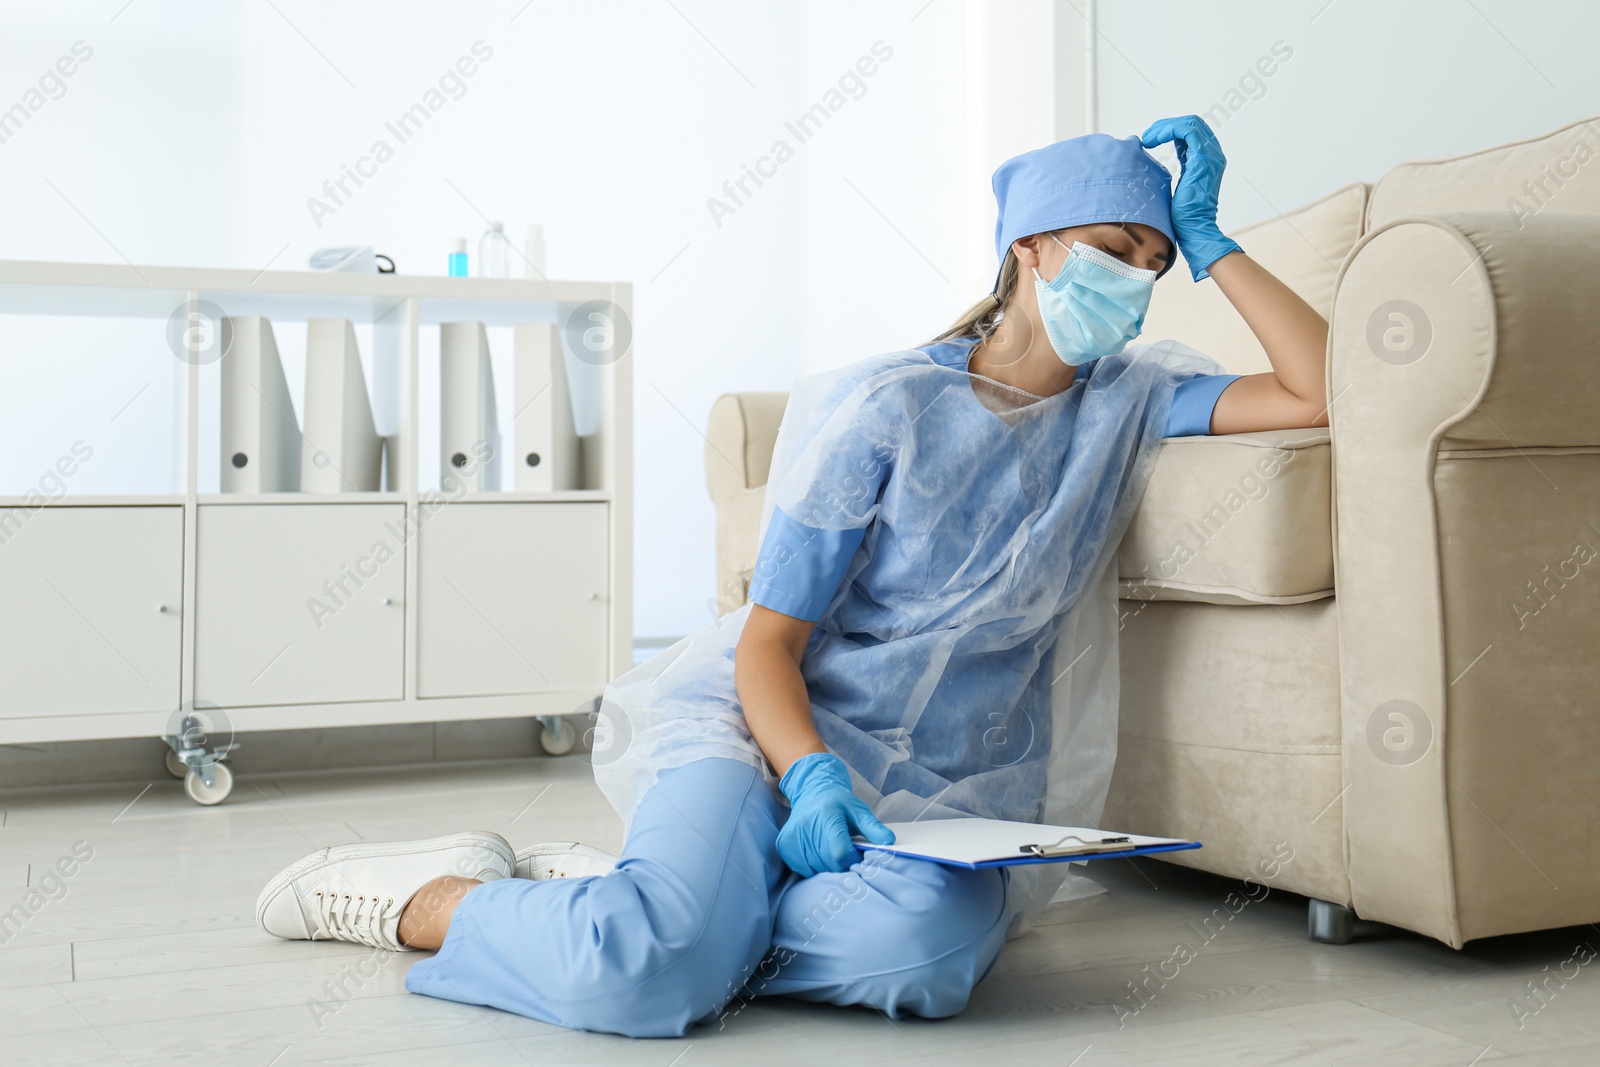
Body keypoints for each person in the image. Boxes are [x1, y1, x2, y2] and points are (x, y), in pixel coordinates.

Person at [255, 115, 1330, 1038]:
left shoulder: (1133, 400)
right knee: (649, 975)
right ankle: (434, 900)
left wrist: (1214, 245)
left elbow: (1320, 387)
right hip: (765, 737)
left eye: (1153, 260)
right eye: (1115, 247)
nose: (1138, 279)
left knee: (925, 956)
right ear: (1033, 247)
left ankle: (654, 905)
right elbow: (768, 643)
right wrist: (808, 773)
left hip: (939, 799)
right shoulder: (888, 409)